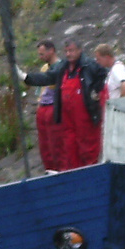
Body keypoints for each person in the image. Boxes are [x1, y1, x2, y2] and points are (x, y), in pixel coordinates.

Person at [23, 40, 106, 170]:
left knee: (87, 150)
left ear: (79, 50)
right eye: (66, 51)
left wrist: (95, 93)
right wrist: (26, 78)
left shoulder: (89, 65)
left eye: (71, 51)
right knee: (69, 149)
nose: (68, 54)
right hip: (68, 120)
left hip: (85, 119)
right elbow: (47, 77)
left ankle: (90, 178)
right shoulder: (63, 68)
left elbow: (103, 74)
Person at [23, 40, 62, 172]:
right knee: (44, 144)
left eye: (42, 54)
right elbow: (41, 90)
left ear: (51, 51)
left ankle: (58, 169)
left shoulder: (61, 67)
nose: (40, 57)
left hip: (53, 107)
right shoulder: (45, 68)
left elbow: (46, 80)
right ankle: (49, 169)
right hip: (43, 107)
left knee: (55, 143)